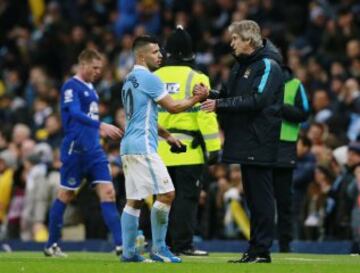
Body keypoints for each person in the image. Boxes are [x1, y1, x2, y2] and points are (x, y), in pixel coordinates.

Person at [200, 20, 284, 263]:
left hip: (260, 139)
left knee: (261, 198)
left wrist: (219, 104)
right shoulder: (240, 66)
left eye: (235, 38)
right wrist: (209, 95)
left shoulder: (269, 65)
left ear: (249, 40)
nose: (232, 43)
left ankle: (263, 250)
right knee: (253, 197)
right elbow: (229, 96)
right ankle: (255, 248)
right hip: (245, 139)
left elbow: (258, 99)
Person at [120, 35, 207, 263]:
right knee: (168, 193)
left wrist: (167, 135)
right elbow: (174, 107)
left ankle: (129, 252)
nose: (161, 56)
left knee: (135, 199)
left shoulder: (129, 79)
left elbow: (141, 117)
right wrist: (196, 98)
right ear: (141, 55)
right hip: (143, 146)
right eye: (155, 52)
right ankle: (159, 248)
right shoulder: (150, 79)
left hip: (129, 145)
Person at [44, 49, 123, 257]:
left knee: (108, 193)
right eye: (94, 68)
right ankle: (51, 244)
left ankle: (122, 245)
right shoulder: (71, 86)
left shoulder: (92, 89)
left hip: (94, 151)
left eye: (100, 68)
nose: (98, 72)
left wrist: (98, 132)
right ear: (83, 65)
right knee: (66, 194)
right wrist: (102, 126)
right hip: (75, 150)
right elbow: (75, 113)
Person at [154, 26, 221, 256]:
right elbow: (206, 114)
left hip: (158, 148)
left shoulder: (154, 77)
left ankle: (162, 244)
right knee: (186, 198)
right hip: (188, 151)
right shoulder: (197, 77)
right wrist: (214, 148)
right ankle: (183, 245)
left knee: (161, 199)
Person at [273, 66, 310, 252]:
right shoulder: (262, 83)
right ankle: (259, 240)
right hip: (262, 145)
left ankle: (284, 244)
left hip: (284, 147)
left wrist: (281, 107)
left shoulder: (295, 85)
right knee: (259, 199)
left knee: (283, 200)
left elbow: (304, 113)